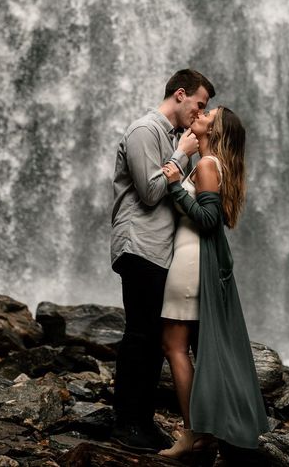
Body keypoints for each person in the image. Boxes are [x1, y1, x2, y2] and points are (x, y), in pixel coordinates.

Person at [110, 69, 216, 452]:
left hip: (159, 252)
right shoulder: (144, 130)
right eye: (200, 104)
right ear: (181, 95)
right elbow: (152, 192)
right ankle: (126, 423)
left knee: (153, 337)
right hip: (139, 246)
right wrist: (181, 155)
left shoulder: (172, 137)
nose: (201, 112)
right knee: (140, 335)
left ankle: (143, 421)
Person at [159, 106, 269, 461]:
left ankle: (194, 433)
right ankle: (203, 432)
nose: (200, 112)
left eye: (209, 113)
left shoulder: (207, 166)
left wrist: (175, 185)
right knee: (189, 346)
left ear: (216, 129)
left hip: (192, 263)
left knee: (174, 345)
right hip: (192, 260)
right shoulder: (208, 162)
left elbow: (208, 220)